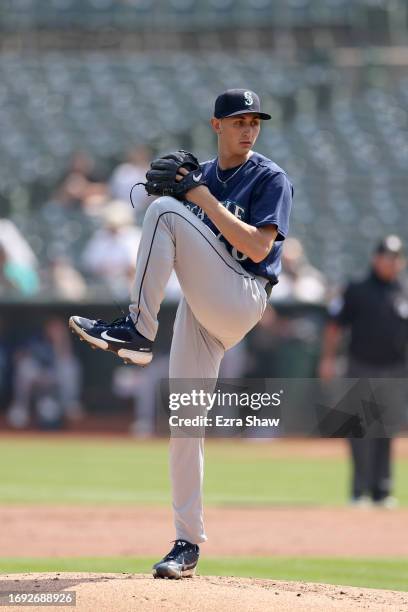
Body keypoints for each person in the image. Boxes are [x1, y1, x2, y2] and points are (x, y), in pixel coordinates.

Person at [69, 89, 293, 578]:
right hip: (202, 307)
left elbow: (257, 247)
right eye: (238, 120)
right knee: (184, 425)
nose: (249, 128)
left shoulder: (269, 177)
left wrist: (194, 196)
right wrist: (164, 189)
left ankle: (138, 329)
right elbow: (155, 211)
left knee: (165, 213)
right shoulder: (204, 174)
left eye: (255, 120)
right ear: (217, 125)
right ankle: (186, 543)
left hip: (242, 296)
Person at [319, 235, 408, 508]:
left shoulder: (403, 292)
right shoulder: (356, 289)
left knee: (385, 430)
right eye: (387, 256)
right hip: (361, 365)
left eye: (396, 257)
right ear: (375, 258)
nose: (391, 262)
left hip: (394, 369)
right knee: (360, 431)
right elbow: (334, 326)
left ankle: (381, 490)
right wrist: (328, 359)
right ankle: (359, 491)